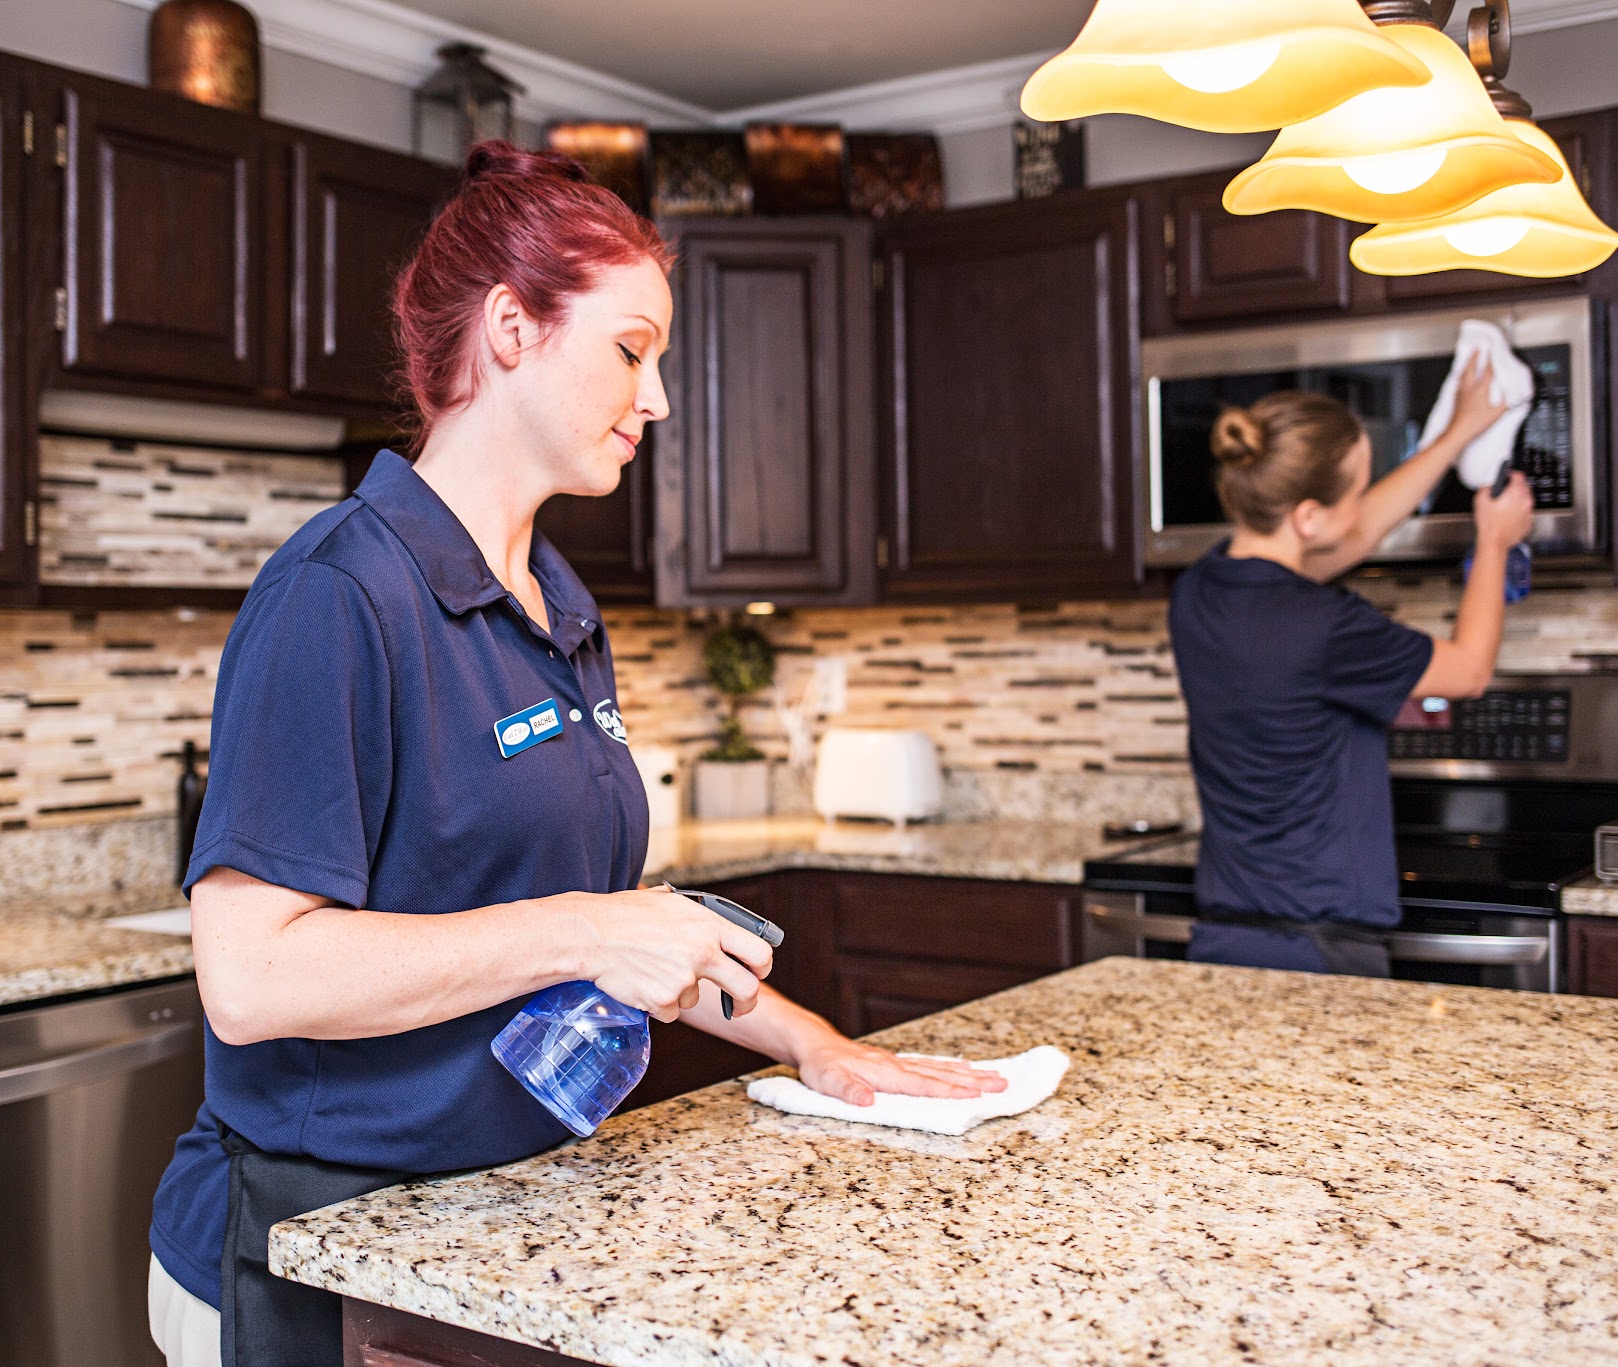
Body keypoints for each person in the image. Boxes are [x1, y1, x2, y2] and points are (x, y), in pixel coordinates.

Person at [144, 143, 1005, 1367]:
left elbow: (605, 929)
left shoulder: (554, 603)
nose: (656, 399)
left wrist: (813, 1041)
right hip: (313, 1254)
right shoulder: (338, 592)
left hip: (487, 1230)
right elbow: (252, 976)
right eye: (631, 350)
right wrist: (589, 929)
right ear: (510, 328)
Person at [1167, 362, 1535, 977]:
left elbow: (1351, 538)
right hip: (1320, 951)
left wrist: (1456, 435)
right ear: (1308, 517)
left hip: (1227, 938)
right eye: (1358, 491)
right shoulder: (1328, 625)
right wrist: (1495, 542)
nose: (1363, 506)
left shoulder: (1197, 590)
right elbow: (1470, 671)